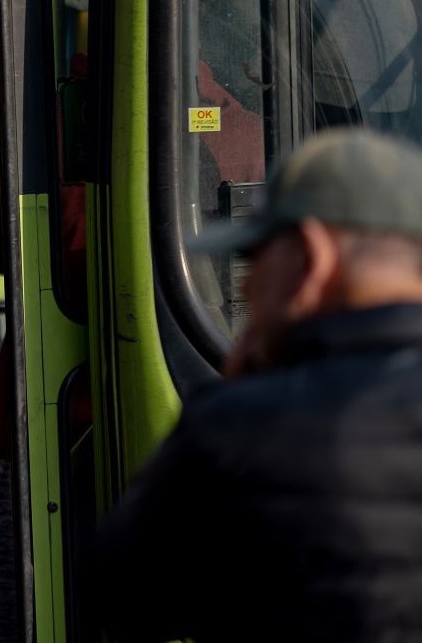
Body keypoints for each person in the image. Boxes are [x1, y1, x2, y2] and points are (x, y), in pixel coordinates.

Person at [93, 128, 422, 642]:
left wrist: (233, 398)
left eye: (255, 259)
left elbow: (124, 599)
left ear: (311, 258)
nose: (245, 286)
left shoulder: (240, 428)